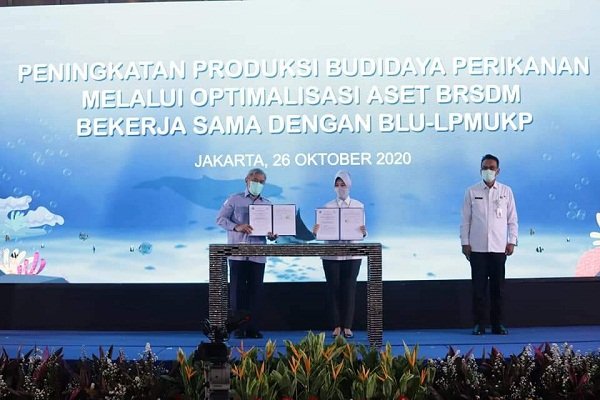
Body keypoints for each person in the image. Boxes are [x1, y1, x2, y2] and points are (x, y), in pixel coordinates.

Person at [460, 154, 518, 335]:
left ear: (498, 171)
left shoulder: (506, 191)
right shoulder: (472, 191)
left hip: (499, 248)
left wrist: (512, 241)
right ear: (480, 170)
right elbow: (465, 220)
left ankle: (497, 324)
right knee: (478, 289)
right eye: (485, 167)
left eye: (492, 168)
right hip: (477, 248)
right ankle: (479, 324)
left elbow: (512, 219)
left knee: (497, 289)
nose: (488, 171)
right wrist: (465, 242)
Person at [216, 168, 276, 339]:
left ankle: (253, 328)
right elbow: (220, 219)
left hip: (258, 254)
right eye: (255, 180)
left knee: (255, 293)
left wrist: (273, 235)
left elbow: (272, 230)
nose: (258, 184)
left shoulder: (268, 204)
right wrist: (237, 226)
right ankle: (238, 328)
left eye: (261, 182)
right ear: (247, 180)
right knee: (237, 293)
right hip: (238, 254)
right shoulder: (234, 199)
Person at [313, 170, 367, 339]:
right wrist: (316, 232)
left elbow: (362, 230)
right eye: (337, 185)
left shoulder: (358, 206)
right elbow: (321, 231)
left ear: (349, 185)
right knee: (333, 289)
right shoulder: (327, 207)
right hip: (331, 254)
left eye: (343, 184)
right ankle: (336, 326)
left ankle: (348, 326)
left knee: (350, 289)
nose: (340, 188)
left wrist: (364, 232)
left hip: (352, 255)